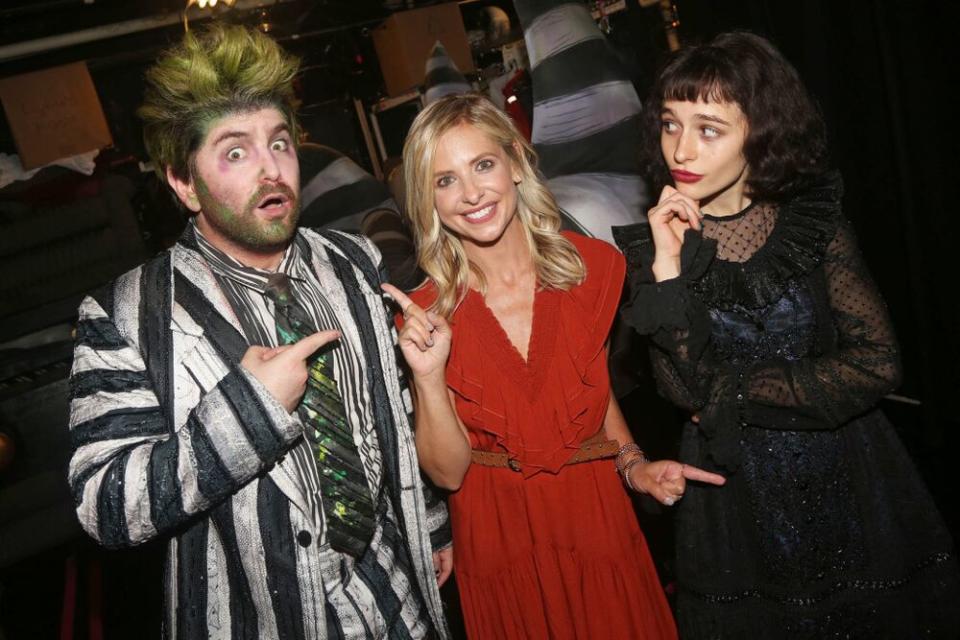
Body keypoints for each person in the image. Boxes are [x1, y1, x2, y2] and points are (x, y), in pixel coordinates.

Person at [67, 24, 451, 639]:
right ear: (183, 183)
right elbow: (105, 505)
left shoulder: (354, 262)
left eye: (280, 143)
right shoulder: (124, 315)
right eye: (236, 152)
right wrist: (248, 410)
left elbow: (394, 410)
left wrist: (428, 524)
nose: (271, 170)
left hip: (391, 594)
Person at [613, 31, 960, 638]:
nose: (681, 148)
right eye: (670, 124)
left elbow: (878, 363)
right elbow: (684, 389)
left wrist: (736, 390)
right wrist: (668, 271)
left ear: (761, 132)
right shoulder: (655, 249)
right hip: (734, 500)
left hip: (852, 477)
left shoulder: (811, 220)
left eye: (708, 128)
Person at [382, 93, 725, 640]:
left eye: (483, 165)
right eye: (444, 180)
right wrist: (427, 374)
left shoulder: (595, 269)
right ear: (428, 200)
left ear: (517, 162)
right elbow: (447, 473)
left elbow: (592, 395)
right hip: (499, 537)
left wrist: (633, 467)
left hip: (596, 518)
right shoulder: (424, 315)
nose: (470, 193)